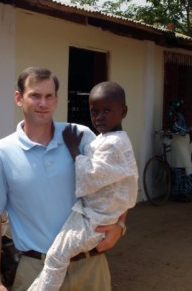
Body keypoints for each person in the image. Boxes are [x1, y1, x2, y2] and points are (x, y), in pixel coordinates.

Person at [0, 66, 128, 291]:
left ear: (56, 100)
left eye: (49, 96)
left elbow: (119, 179)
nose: (43, 104)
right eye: (35, 95)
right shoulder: (0, 153)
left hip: (89, 266)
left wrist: (120, 225)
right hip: (36, 270)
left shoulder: (81, 137)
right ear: (19, 98)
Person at [27, 81, 138, 291]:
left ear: (123, 111)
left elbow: (91, 179)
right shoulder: (106, 139)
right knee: (56, 258)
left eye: (107, 110)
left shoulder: (114, 144)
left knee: (56, 257)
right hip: (95, 215)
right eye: (94, 111)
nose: (99, 117)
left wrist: (74, 151)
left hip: (95, 219)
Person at [168, 99, 192, 202]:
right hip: (179, 146)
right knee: (181, 171)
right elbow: (180, 129)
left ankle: (181, 194)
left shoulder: (177, 115)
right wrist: (188, 130)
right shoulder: (178, 116)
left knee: (180, 171)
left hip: (180, 146)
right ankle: (181, 194)